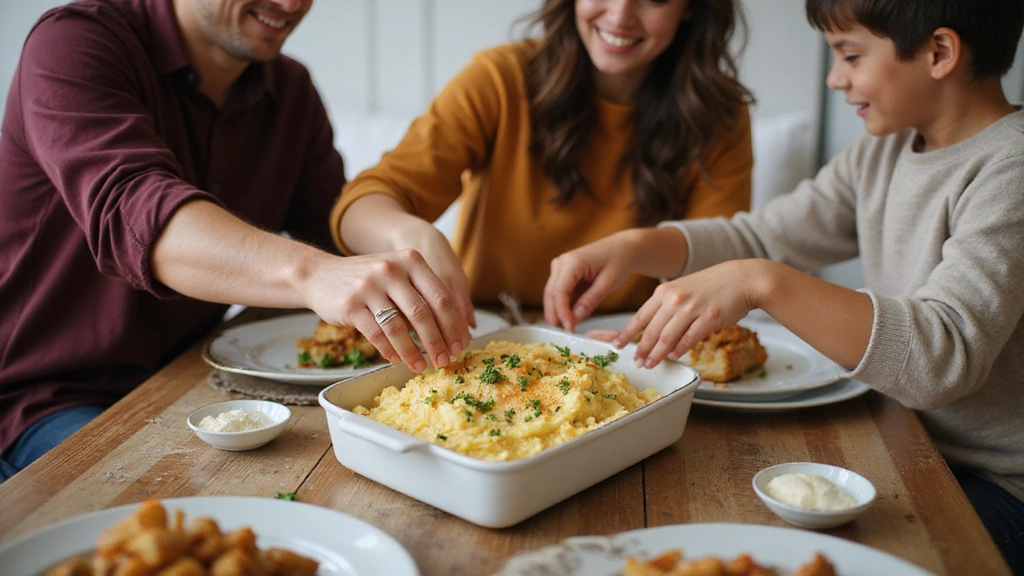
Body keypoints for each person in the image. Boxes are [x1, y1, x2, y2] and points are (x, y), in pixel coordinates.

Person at [543, 0, 1024, 570]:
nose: (835, 78)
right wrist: (635, 247)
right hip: (903, 442)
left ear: (939, 52)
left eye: (850, 55)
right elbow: (766, 236)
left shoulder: (1010, 167)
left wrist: (760, 282)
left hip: (994, 483)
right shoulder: (886, 149)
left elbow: (942, 357)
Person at [0, 0, 469, 481]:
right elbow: (140, 215)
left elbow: (331, 229)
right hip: (46, 400)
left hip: (195, 378)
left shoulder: (289, 89)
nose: (291, 6)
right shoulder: (74, 41)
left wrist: (398, 233)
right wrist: (313, 275)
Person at [331, 0, 754, 325]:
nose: (621, 16)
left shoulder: (721, 118)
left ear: (692, 8)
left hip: (629, 348)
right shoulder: (499, 79)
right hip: (481, 336)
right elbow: (357, 209)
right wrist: (414, 234)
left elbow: (718, 274)